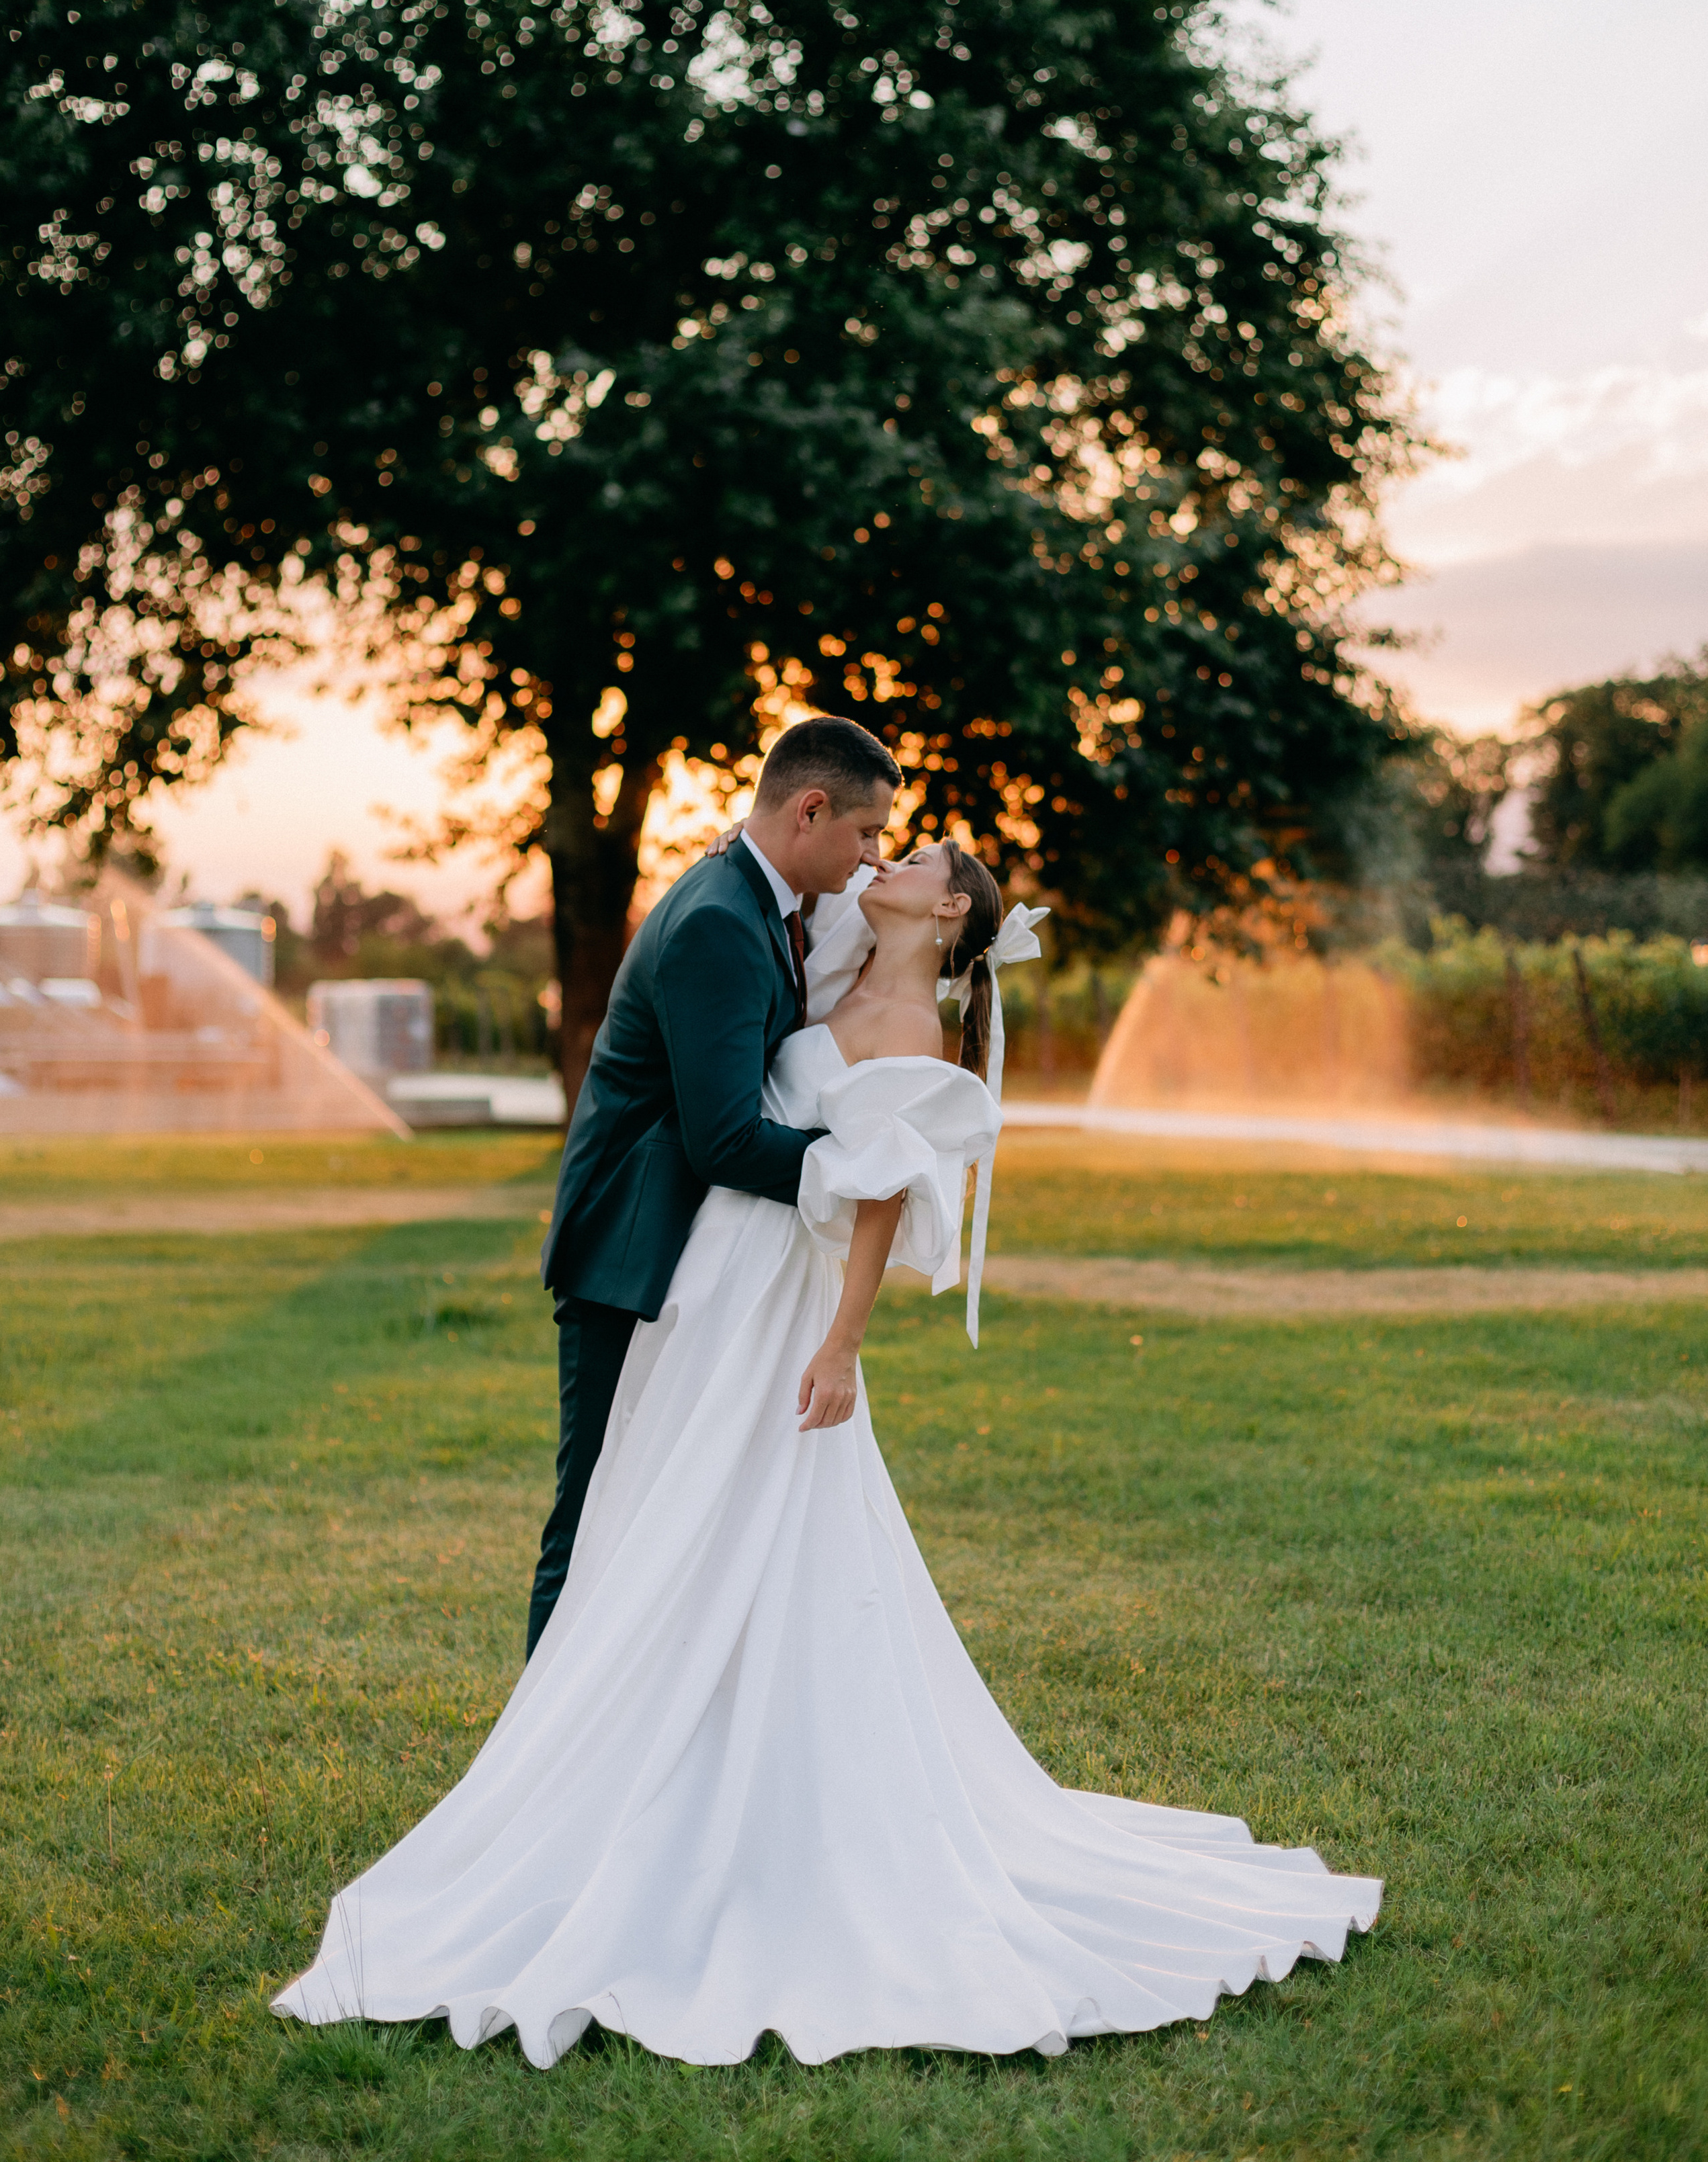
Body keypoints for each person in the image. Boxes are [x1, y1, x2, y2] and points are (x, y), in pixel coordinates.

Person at [274, 824, 1381, 2065]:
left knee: (740, 1521)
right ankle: (620, 1774)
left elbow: (878, 1197)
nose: (888, 860)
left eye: (918, 860)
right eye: (879, 838)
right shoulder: (841, 953)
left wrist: (842, 1345)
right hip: (710, 1276)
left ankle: (717, 1809)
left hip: (780, 1303)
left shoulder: (909, 1031)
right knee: (655, 1519)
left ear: (950, 918)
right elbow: (761, 901)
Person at [523, 714, 899, 1656]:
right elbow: (726, 1139)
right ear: (810, 811)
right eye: (865, 832)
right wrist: (861, 1172)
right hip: (629, 1256)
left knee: (657, 1514)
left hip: (686, 1256)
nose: (871, 856)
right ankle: (539, 1775)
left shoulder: (756, 896)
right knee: (599, 1515)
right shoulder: (722, 924)